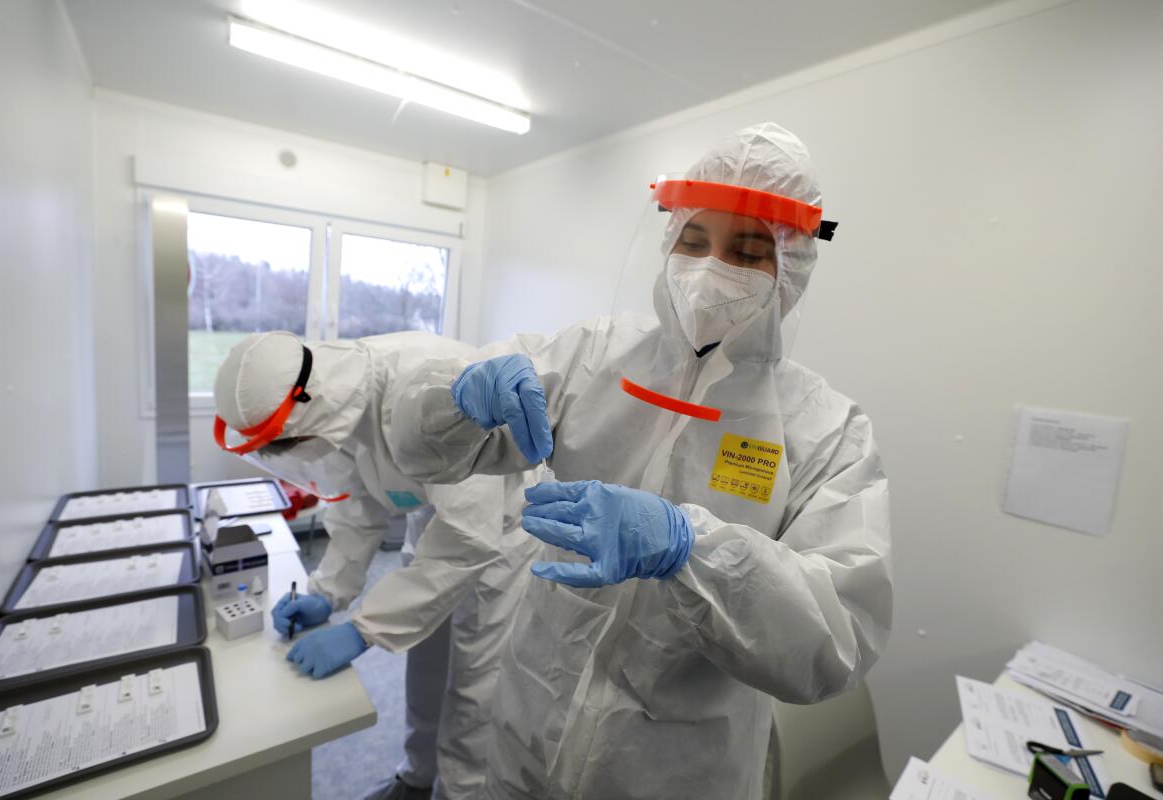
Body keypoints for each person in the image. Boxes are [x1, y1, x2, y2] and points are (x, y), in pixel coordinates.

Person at [385, 122, 894, 798]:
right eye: (694, 240)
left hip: (674, 767)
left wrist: (692, 551)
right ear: (668, 241)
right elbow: (417, 450)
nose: (712, 268)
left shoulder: (825, 429)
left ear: (794, 266)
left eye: (748, 250)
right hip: (530, 718)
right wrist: (453, 398)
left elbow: (837, 640)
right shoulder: (592, 356)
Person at [213, 330, 540, 800]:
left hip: (504, 531)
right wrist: (326, 593)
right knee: (426, 659)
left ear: (302, 411)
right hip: (436, 517)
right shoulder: (338, 404)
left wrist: (364, 630)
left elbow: (470, 536)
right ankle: (418, 775)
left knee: (474, 684)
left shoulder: (430, 386)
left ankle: (459, 793)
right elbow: (356, 505)